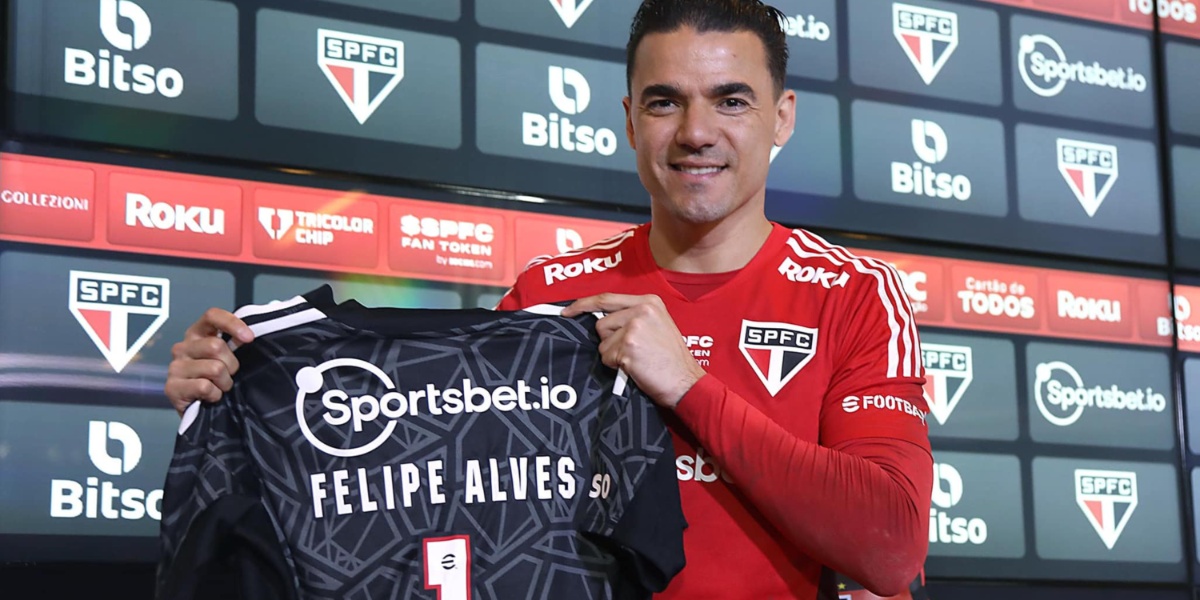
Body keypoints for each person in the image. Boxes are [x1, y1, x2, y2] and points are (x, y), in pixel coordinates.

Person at [164, 1, 934, 598]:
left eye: (731, 100)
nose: (696, 131)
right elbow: (421, 493)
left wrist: (688, 389)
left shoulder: (856, 295)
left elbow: (888, 544)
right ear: (631, 121)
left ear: (782, 118)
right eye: (665, 102)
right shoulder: (549, 294)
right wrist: (240, 409)